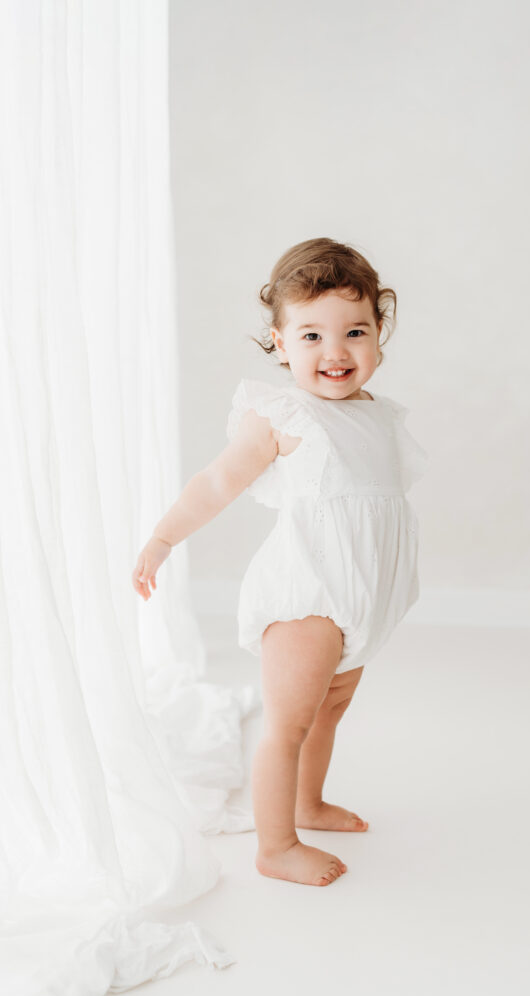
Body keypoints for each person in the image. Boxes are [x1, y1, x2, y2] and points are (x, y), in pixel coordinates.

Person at [132, 237, 428, 887]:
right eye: (312, 336)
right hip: (308, 595)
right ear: (280, 342)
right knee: (288, 723)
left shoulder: (377, 416)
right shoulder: (283, 415)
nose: (335, 352)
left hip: (360, 597)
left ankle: (307, 801)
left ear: (381, 330)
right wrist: (161, 539)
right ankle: (275, 845)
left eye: (354, 331)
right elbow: (216, 483)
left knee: (329, 710)